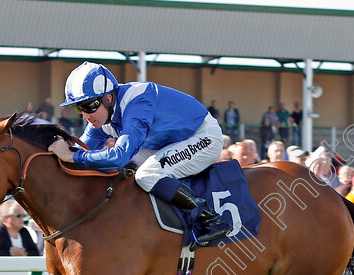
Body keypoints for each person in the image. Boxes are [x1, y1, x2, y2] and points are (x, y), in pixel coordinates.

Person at [48, 62, 231, 244]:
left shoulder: (137, 103)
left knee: (146, 174)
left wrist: (72, 156)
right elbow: (80, 152)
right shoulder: (102, 118)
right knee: (126, 168)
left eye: (88, 106)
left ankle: (211, 218)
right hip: (170, 142)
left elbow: (118, 157)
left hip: (203, 136)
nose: (85, 116)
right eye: (79, 108)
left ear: (108, 99)